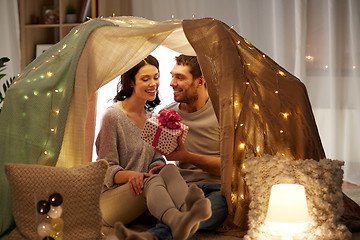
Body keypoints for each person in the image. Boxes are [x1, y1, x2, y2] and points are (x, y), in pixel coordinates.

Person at [96, 55, 211, 240]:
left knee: (169, 169)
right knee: (153, 181)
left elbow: (156, 159)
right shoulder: (112, 117)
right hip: (110, 201)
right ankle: (176, 220)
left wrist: (157, 167)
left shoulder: (152, 118)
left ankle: (187, 213)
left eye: (156, 77)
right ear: (131, 82)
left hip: (143, 193)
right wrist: (133, 175)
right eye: (145, 79)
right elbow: (106, 169)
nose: (153, 84)